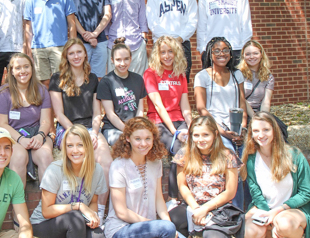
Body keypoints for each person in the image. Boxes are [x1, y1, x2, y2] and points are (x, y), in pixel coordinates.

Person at [105, 117, 194, 238]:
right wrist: (161, 227)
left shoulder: (155, 162)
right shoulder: (118, 166)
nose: (143, 143)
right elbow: (121, 213)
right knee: (167, 229)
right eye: (137, 138)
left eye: (148, 138)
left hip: (150, 230)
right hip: (121, 231)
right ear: (128, 138)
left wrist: (167, 224)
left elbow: (159, 199)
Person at [241, 112, 310, 238]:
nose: (261, 135)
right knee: (247, 233)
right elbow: (255, 192)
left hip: (293, 209)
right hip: (265, 207)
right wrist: (267, 214)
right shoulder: (251, 158)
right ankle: (269, 233)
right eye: (256, 131)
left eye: (266, 130)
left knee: (284, 223)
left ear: (274, 130)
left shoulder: (294, 155)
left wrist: (277, 211)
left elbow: (306, 192)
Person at [49, 38, 112, 224]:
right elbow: (59, 114)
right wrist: (78, 133)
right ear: (66, 57)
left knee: (106, 163)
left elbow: (96, 112)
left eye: (79, 52)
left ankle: (99, 212)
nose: (76, 56)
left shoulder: (92, 79)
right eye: (72, 53)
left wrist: (93, 132)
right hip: (67, 128)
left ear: (85, 54)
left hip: (89, 128)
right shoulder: (57, 79)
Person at [30, 124, 108, 238]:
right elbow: (46, 211)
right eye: (70, 146)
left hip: (73, 224)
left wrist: (93, 216)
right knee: (75, 217)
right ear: (65, 148)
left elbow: (93, 202)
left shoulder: (96, 170)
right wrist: (78, 206)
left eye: (80, 145)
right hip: (42, 226)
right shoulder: (55, 170)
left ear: (88, 147)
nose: (75, 150)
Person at [169, 116, 242, 238]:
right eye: (196, 135)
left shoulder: (227, 155)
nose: (200, 139)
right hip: (193, 204)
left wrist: (205, 209)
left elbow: (230, 192)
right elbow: (182, 186)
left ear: (215, 134)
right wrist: (196, 208)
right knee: (170, 222)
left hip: (218, 207)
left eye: (205, 135)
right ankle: (188, 236)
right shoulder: (184, 154)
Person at [194, 37, 247, 209]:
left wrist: (243, 129)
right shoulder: (202, 76)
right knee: (231, 157)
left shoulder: (236, 75)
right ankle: (236, 211)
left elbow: (242, 104)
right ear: (210, 54)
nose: (221, 53)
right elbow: (201, 109)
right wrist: (223, 133)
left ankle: (253, 208)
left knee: (251, 156)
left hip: (237, 128)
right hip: (215, 129)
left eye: (225, 50)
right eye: (216, 50)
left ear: (231, 54)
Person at [143, 36, 192, 209]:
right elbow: (158, 105)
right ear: (157, 54)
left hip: (179, 119)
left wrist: (191, 125)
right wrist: (175, 131)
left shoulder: (180, 74)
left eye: (170, 51)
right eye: (162, 52)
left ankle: (192, 195)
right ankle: (173, 198)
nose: (167, 56)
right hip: (159, 121)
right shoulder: (150, 73)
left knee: (192, 147)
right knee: (180, 148)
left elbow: (184, 103)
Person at [0, 53, 53, 186]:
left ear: (32, 69)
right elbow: (2, 124)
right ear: (12, 71)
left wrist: (40, 136)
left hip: (38, 134)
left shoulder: (42, 90)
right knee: (19, 157)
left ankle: (47, 203)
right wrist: (21, 139)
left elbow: (46, 121)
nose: (23, 71)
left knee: (45, 156)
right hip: (14, 136)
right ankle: (19, 204)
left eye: (26, 67)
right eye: (18, 68)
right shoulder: (4, 94)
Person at [24, 0, 77, 86]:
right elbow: (28, 28)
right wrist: (28, 49)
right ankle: (47, 106)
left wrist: (72, 46)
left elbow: (72, 23)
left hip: (60, 46)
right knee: (43, 82)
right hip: (38, 48)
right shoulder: (31, 0)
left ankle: (61, 106)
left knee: (62, 81)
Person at [146, 0, 197, 82]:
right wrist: (167, 42)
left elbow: (192, 22)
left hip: (182, 44)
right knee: (160, 81)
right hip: (160, 45)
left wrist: (179, 39)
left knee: (182, 82)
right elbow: (152, 23)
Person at [197, 0, 253, 68]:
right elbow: (201, 26)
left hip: (236, 48)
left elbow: (246, 23)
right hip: (213, 50)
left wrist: (244, 48)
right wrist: (203, 49)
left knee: (238, 84)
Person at [65, 0, 112, 78]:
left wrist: (95, 34)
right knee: (79, 76)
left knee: (98, 78)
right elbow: (71, 15)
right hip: (80, 41)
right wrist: (86, 35)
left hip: (100, 41)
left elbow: (107, 14)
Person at [97, 41, 147, 146]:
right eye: (118, 60)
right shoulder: (106, 82)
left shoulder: (138, 79)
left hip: (134, 127)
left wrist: (137, 127)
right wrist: (128, 131)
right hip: (113, 128)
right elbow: (110, 114)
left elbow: (140, 109)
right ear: (112, 60)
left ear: (131, 59)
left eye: (126, 59)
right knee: (127, 144)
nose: (123, 63)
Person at [107, 0, 149, 75]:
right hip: (114, 45)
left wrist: (143, 39)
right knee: (115, 83)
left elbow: (142, 19)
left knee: (137, 81)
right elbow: (106, 19)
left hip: (136, 44)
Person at [237, 41, 274, 117]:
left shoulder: (268, 76)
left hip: (259, 112)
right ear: (243, 56)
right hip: (243, 113)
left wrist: (263, 117)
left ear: (261, 55)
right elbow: (242, 99)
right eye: (248, 54)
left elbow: (266, 101)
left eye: (255, 53)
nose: (252, 57)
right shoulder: (238, 74)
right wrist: (254, 117)